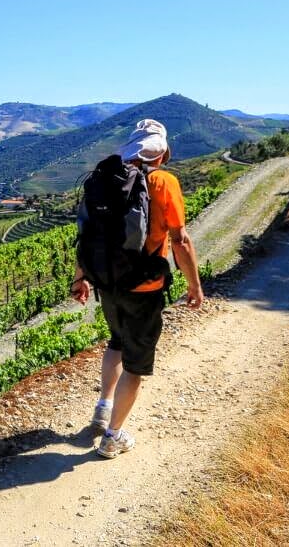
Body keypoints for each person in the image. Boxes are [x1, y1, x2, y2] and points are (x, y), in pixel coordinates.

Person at [70, 119, 204, 459]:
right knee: (136, 364)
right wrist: (195, 286)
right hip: (145, 287)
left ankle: (103, 409)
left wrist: (80, 276)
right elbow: (180, 240)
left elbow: (88, 235)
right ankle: (112, 437)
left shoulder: (107, 178)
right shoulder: (163, 182)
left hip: (108, 284)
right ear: (161, 153)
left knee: (116, 341)